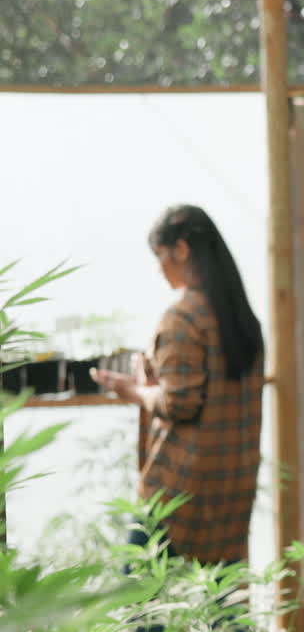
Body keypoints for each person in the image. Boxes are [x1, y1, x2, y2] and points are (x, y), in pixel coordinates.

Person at [92, 204, 263, 570]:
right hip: (231, 487)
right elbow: (211, 393)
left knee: (141, 607)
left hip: (178, 490)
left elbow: (180, 403)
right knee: (223, 608)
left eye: (160, 256)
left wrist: (134, 390)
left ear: (182, 250)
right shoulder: (242, 319)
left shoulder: (183, 316)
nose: (159, 268)